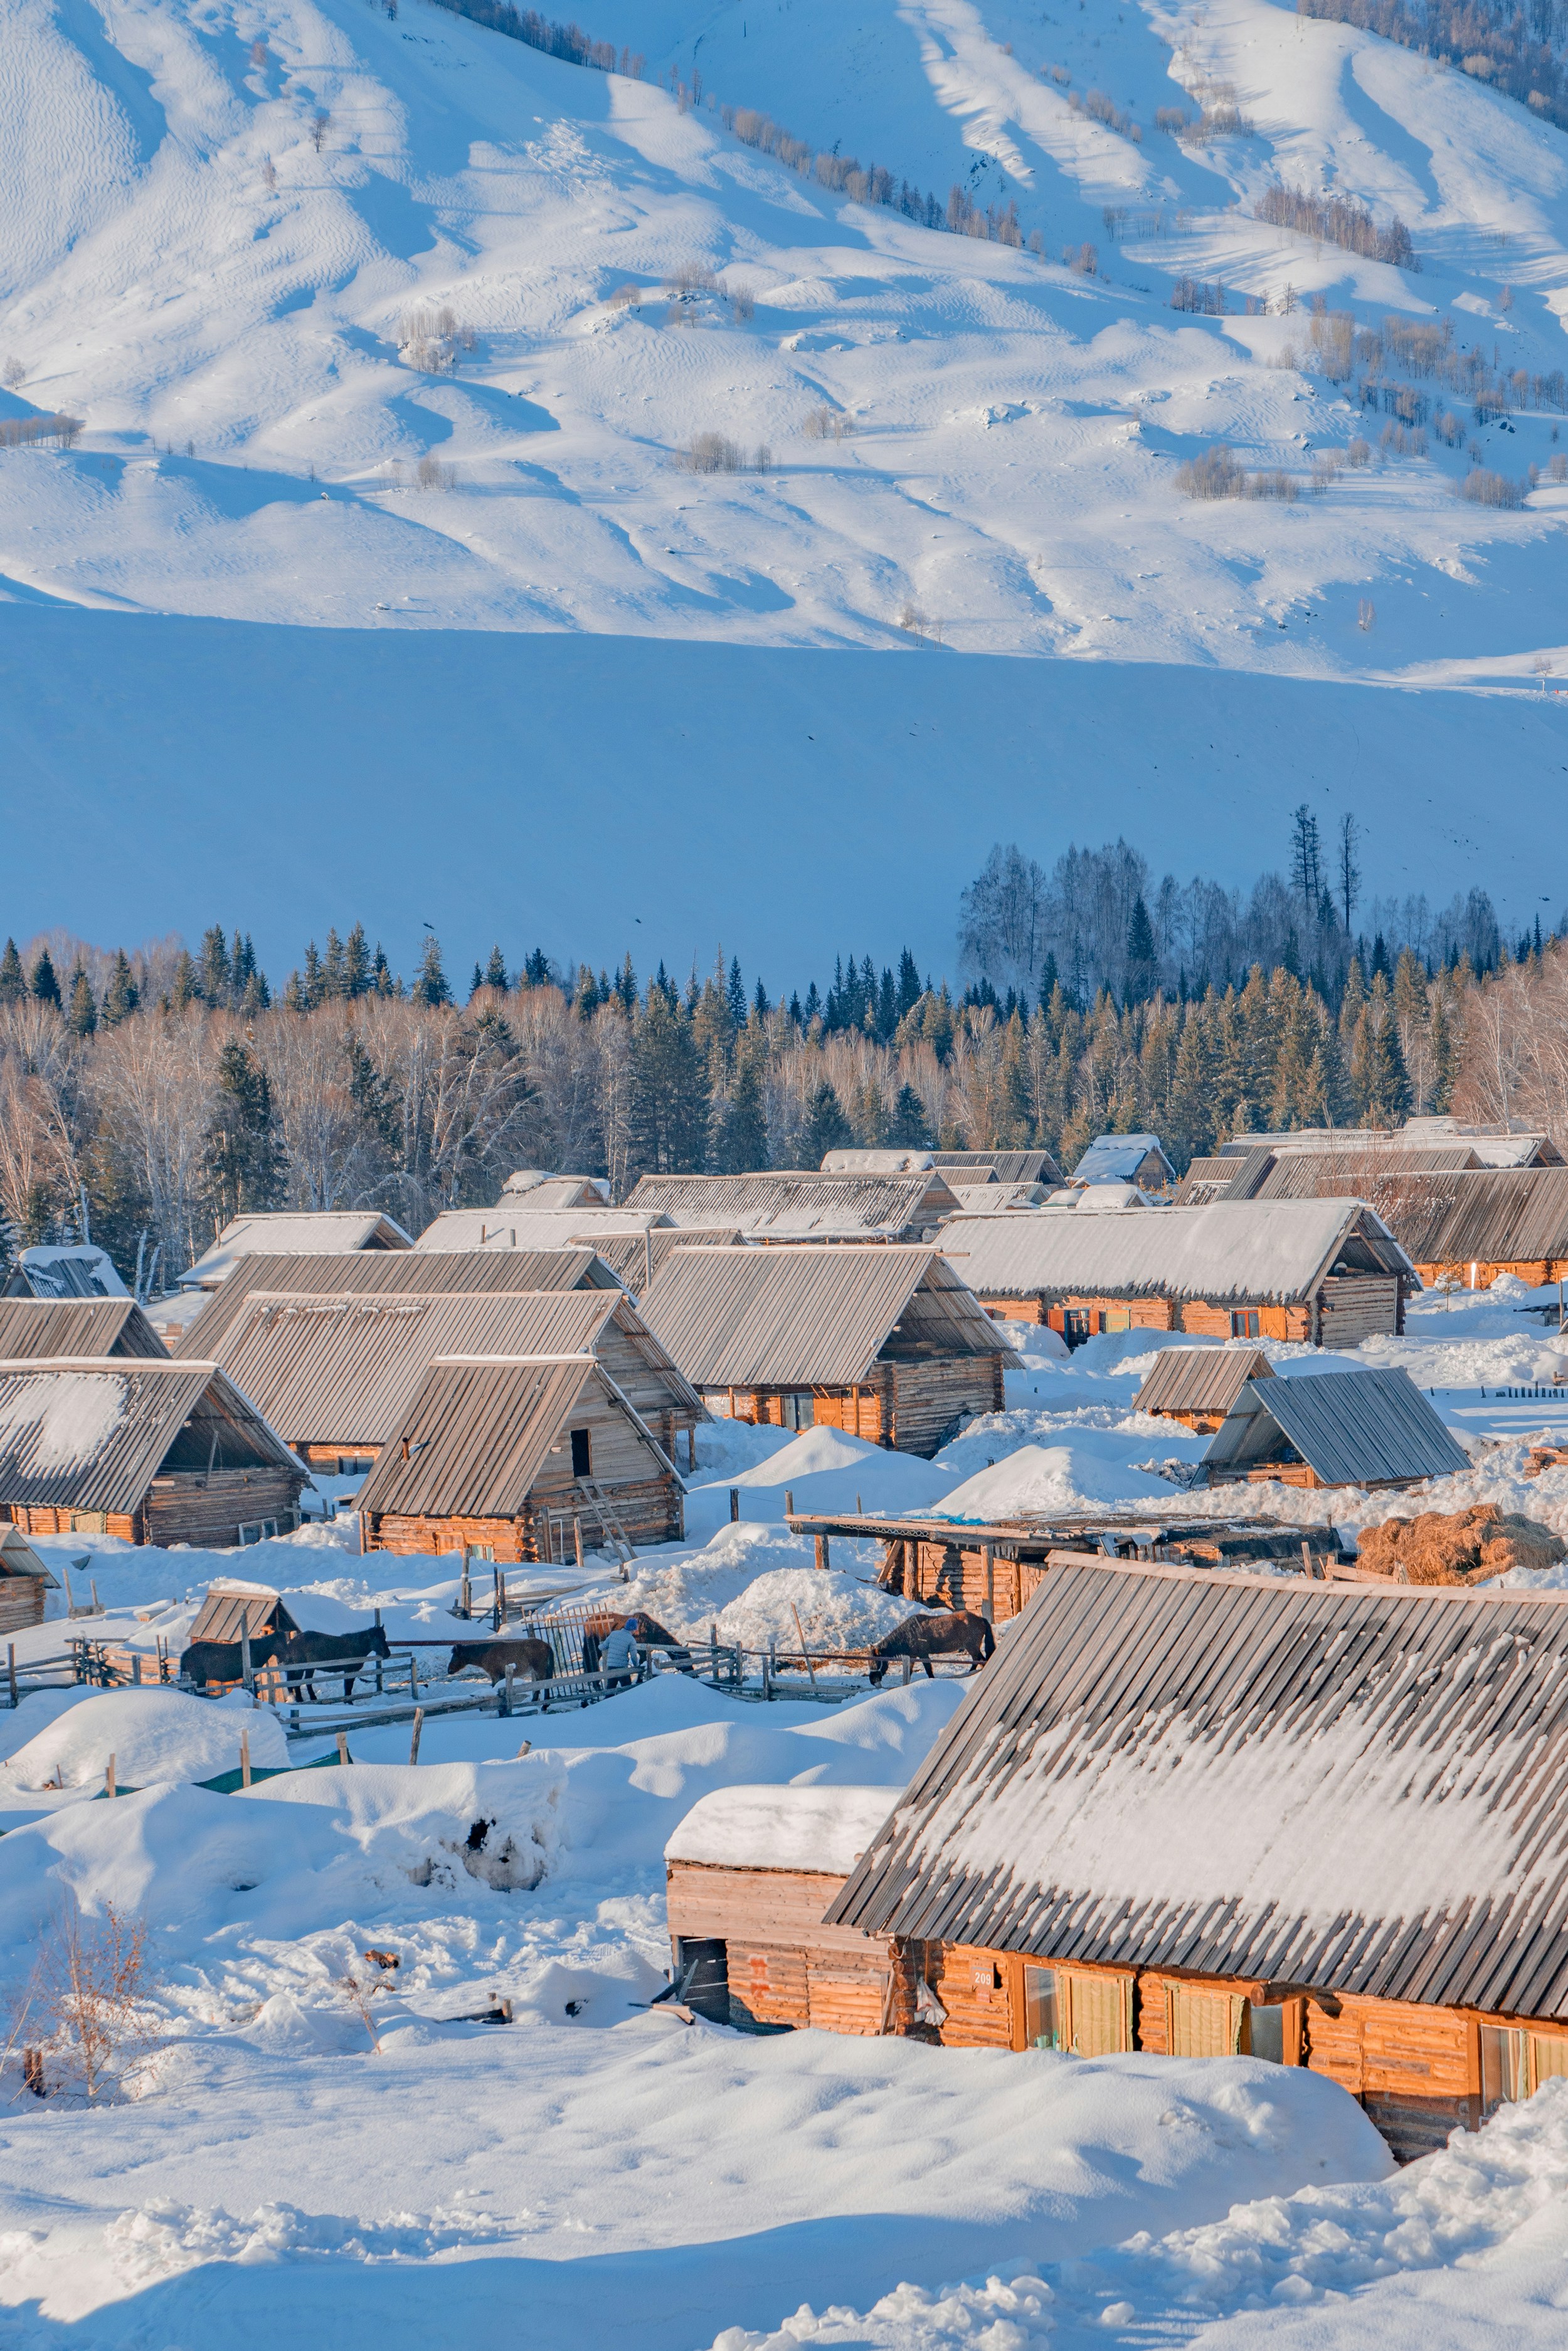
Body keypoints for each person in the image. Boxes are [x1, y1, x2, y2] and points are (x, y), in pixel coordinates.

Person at [598, 1622, 638, 1688]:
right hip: (622, 1667)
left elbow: (603, 1647)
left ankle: (609, 1698)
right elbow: (633, 1656)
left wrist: (599, 1646)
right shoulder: (631, 1640)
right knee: (627, 1689)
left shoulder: (613, 1634)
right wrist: (636, 1666)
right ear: (633, 1629)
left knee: (610, 1688)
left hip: (611, 1666)